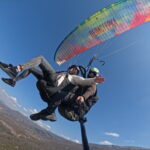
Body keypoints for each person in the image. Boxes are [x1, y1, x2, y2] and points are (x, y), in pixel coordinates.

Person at [0, 56, 105, 121]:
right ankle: (14, 79)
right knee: (32, 68)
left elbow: (86, 83)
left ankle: (16, 69)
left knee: (41, 59)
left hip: (55, 86)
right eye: (74, 68)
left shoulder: (76, 78)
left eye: (76, 69)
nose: (75, 70)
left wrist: (94, 81)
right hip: (50, 86)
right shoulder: (63, 72)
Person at [30, 67, 103, 122]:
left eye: (92, 73)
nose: (90, 74)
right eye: (90, 72)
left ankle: (48, 112)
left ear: (95, 75)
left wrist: (83, 97)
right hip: (67, 106)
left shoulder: (93, 85)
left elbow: (91, 91)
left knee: (61, 94)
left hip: (74, 112)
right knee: (58, 92)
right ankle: (49, 112)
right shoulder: (83, 83)